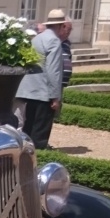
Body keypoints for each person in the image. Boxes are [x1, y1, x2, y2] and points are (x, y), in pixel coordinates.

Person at [14, 9, 69, 149]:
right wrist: (55, 97)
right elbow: (54, 70)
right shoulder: (54, 41)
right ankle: (39, 159)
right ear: (61, 26)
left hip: (28, 90)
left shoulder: (37, 38)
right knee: (40, 134)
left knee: (28, 130)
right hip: (43, 93)